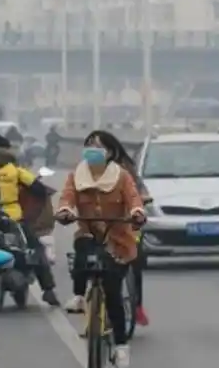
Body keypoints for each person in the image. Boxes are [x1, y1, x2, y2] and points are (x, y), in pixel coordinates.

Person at [55, 130, 146, 368]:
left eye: (98, 146)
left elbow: (134, 199)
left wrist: (137, 213)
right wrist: (65, 210)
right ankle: (78, 296)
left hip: (117, 238)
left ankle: (120, 346)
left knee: (113, 293)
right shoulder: (77, 175)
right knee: (82, 252)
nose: (92, 150)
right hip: (88, 232)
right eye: (89, 145)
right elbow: (66, 198)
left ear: (109, 152)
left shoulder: (122, 176)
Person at [0, 134, 61, 306]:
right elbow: (38, 189)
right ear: (8, 150)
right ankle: (48, 291)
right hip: (13, 218)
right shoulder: (15, 170)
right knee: (35, 250)